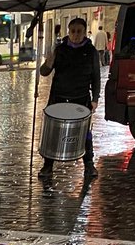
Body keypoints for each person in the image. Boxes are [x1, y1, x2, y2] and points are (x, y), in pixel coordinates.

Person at [38, 17, 101, 180]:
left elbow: (96, 77)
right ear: (68, 32)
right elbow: (44, 72)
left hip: (81, 98)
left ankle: (89, 164)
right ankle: (47, 165)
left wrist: (95, 98)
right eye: (73, 31)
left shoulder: (91, 51)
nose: (76, 35)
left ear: (84, 32)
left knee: (85, 133)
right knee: (53, 131)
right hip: (59, 96)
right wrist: (49, 61)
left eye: (79, 31)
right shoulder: (60, 50)